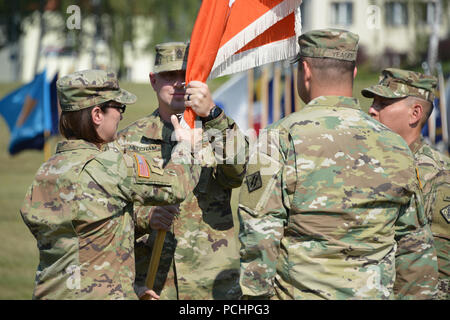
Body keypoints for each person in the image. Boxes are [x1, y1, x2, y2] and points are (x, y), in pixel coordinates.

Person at [238, 29, 438, 300]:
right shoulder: (397, 146)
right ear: (354, 73)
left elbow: (258, 237)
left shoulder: (279, 139)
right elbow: (415, 249)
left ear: (305, 71)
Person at [20, 69, 201, 300]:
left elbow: (85, 236)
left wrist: (127, 290)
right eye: (119, 108)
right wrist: (187, 146)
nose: (121, 116)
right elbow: (177, 186)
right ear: (97, 114)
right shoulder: (112, 166)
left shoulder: (46, 172)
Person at [117, 42, 248, 300]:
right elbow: (107, 210)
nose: (178, 83)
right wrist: (146, 217)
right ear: (153, 81)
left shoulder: (217, 131)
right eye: (169, 76)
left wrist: (213, 115)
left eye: (185, 76)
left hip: (211, 284)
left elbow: (238, 171)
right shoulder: (127, 140)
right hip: (154, 283)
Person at [363, 68, 449, 300]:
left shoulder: (439, 177)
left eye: (383, 103)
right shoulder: (364, 165)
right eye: (373, 102)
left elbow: (441, 267)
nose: (371, 110)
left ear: (415, 113)